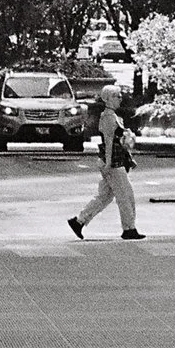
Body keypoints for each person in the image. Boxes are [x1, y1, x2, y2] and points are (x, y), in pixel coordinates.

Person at [69, 86, 142, 241]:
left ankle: (79, 221)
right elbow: (108, 141)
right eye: (116, 96)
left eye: (120, 95)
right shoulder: (108, 117)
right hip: (113, 163)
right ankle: (129, 228)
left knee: (105, 196)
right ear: (108, 99)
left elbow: (115, 141)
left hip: (113, 161)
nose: (120, 99)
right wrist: (108, 163)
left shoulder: (112, 115)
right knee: (125, 195)